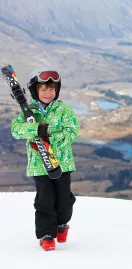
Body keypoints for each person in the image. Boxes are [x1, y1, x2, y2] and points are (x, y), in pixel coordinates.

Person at [11, 68, 80, 250]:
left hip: (62, 164)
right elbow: (16, 130)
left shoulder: (64, 110)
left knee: (63, 200)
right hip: (39, 165)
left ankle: (61, 223)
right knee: (45, 200)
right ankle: (46, 235)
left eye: (51, 89)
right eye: (43, 90)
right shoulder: (29, 112)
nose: (48, 93)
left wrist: (50, 138)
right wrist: (35, 130)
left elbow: (72, 131)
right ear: (36, 92)